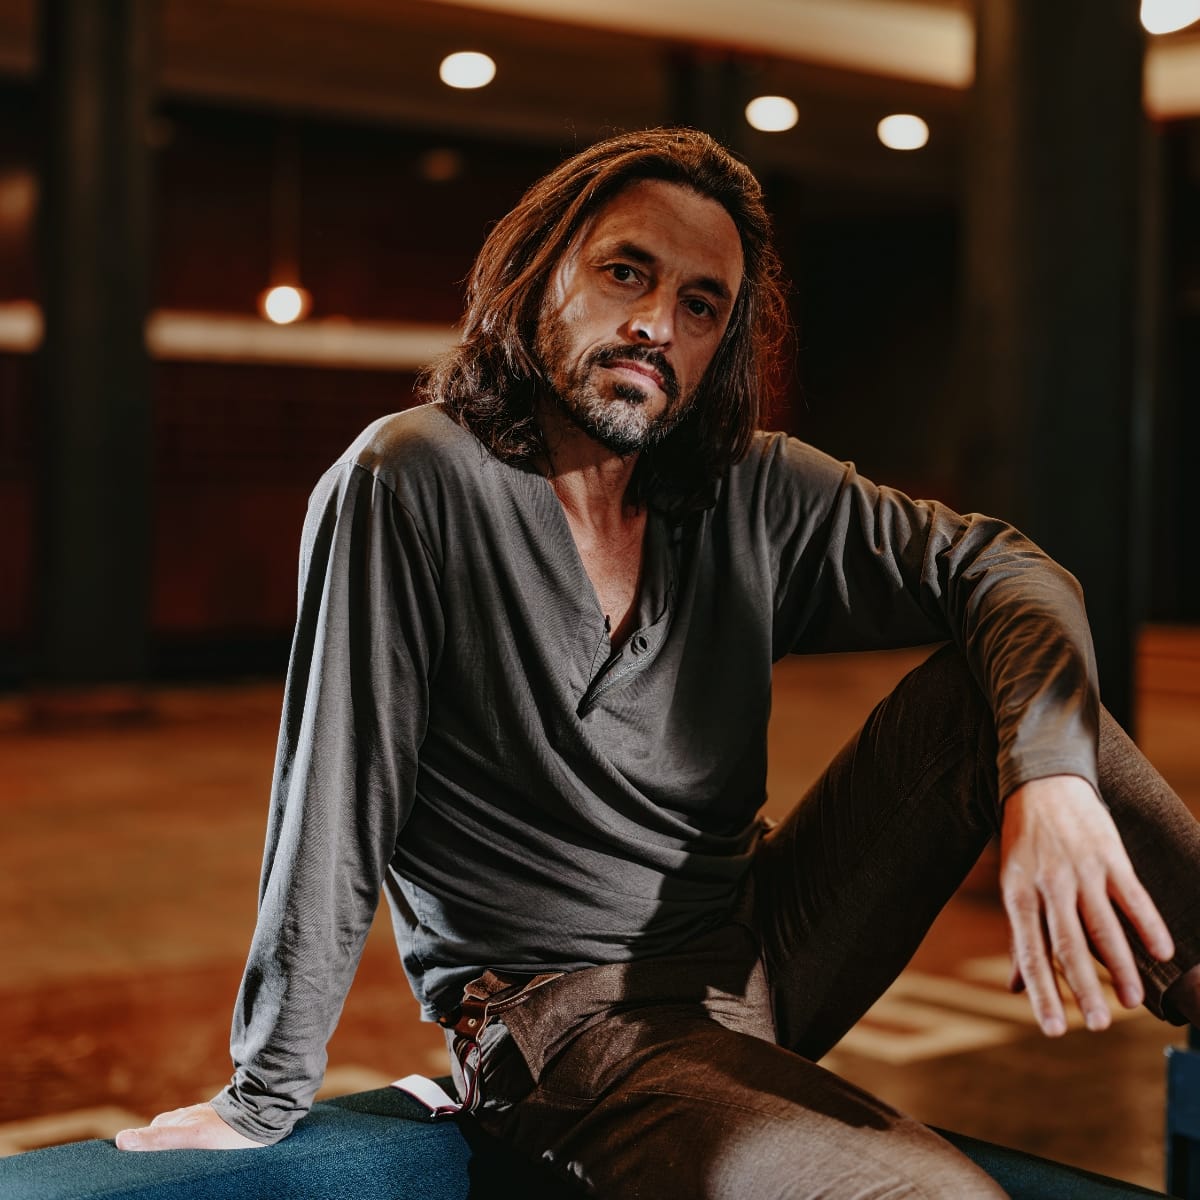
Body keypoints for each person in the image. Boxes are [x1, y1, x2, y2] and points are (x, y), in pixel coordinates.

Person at [116, 128, 1200, 1196]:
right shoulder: (413, 478)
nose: (654, 324)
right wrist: (263, 1093)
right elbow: (336, 795)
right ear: (536, 276)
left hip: (757, 953)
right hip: (570, 1027)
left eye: (699, 306)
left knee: (996, 699)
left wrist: (1047, 778)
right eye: (625, 271)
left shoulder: (742, 487)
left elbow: (1010, 568)